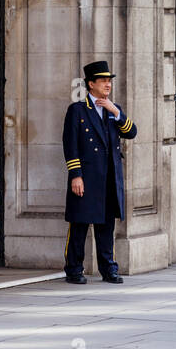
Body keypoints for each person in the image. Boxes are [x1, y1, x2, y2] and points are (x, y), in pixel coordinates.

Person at [62, 60, 137, 285]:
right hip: (86, 177)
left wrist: (116, 111)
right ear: (90, 84)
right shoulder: (77, 110)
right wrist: (76, 175)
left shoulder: (113, 110)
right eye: (103, 81)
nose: (108, 85)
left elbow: (132, 132)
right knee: (79, 224)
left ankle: (109, 269)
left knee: (107, 226)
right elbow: (70, 144)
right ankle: (74, 270)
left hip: (109, 178)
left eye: (109, 81)